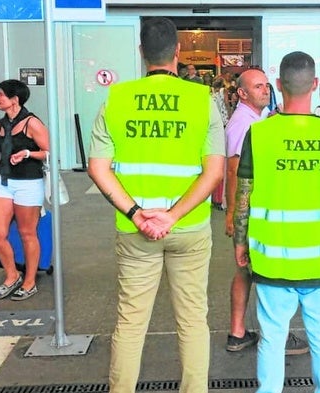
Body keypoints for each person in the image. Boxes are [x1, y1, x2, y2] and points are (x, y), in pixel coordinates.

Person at [87, 17, 225, 393]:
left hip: (135, 230)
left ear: (141, 52)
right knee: (193, 320)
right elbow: (213, 173)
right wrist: (173, 216)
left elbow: (97, 168)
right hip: (189, 228)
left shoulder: (116, 99)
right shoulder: (202, 100)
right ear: (178, 53)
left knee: (131, 323)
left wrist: (136, 213)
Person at [234, 51, 320, 393]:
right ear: (315, 85)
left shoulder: (259, 135)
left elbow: (243, 196)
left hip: (273, 258)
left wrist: (240, 244)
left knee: (272, 339)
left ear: (277, 86)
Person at [224, 68, 309, 356]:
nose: (265, 90)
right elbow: (235, 170)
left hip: (256, 210)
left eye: (266, 85)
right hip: (252, 213)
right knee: (260, 271)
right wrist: (235, 215)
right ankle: (274, 334)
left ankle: (237, 332)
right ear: (242, 93)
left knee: (245, 271)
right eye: (257, 87)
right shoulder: (242, 125)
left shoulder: (258, 120)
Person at [0, 79, 49, 301]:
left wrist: (27, 154)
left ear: (14, 99)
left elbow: (49, 152)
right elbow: (2, 151)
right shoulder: (1, 124)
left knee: (27, 233)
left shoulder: (32, 123)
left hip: (28, 184)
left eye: (1, 95)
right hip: (3, 182)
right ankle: (12, 275)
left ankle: (30, 281)